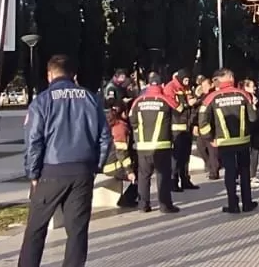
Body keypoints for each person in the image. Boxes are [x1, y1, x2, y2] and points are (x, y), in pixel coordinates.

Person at [18, 55, 111, 267]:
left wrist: (33, 174)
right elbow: (105, 137)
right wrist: (96, 166)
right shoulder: (90, 98)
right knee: (77, 230)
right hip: (82, 170)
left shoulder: (42, 101)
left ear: (49, 75)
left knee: (36, 229)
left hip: (51, 171)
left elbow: (33, 141)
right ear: (73, 75)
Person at [200, 69, 259, 214]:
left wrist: (210, 138)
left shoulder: (211, 98)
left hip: (224, 142)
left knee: (230, 173)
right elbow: (253, 118)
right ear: (231, 78)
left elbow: (202, 122)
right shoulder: (244, 94)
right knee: (244, 171)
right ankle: (247, 203)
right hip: (243, 141)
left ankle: (233, 204)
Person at [129, 73, 181, 214]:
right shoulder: (165, 100)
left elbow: (132, 121)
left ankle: (143, 205)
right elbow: (179, 110)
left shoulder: (138, 101)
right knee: (162, 175)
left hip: (143, 146)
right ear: (161, 85)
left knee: (143, 176)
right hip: (161, 146)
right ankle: (165, 206)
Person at [162, 69, 198, 191]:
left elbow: (191, 101)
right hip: (176, 127)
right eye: (186, 80)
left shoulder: (186, 88)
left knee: (186, 156)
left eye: (188, 79)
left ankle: (185, 180)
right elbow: (173, 105)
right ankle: (173, 181)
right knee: (176, 157)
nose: (187, 82)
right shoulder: (170, 88)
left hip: (187, 126)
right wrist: (188, 104)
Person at [103, 100, 139, 209]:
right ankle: (126, 200)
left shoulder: (108, 122)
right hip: (113, 166)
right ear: (124, 112)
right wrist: (130, 171)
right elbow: (121, 152)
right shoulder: (120, 127)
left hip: (106, 163)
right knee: (142, 174)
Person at [194, 75, 220, 180]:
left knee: (212, 149)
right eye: (202, 86)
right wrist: (195, 125)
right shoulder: (201, 97)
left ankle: (214, 172)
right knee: (201, 148)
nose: (204, 88)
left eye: (206, 86)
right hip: (201, 126)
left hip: (211, 126)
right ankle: (211, 166)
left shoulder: (213, 96)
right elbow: (197, 112)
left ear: (211, 85)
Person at [243, 79, 259, 189]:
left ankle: (253, 175)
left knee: (255, 152)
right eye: (252, 86)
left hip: (258, 128)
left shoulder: (257, 97)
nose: (255, 88)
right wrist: (253, 106)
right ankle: (246, 176)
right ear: (245, 88)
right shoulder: (244, 98)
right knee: (247, 153)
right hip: (248, 129)